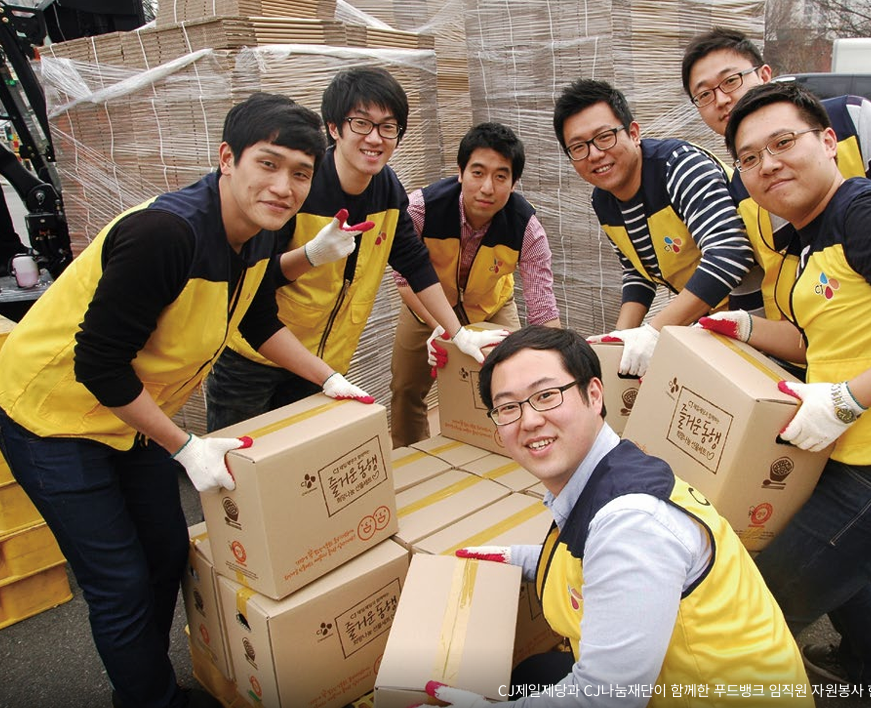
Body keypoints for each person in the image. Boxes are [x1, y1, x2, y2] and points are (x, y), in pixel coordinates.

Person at [0, 93, 353, 707]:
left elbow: (256, 316)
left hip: (130, 414)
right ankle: (147, 699)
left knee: (166, 553)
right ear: (227, 158)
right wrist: (184, 445)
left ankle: (151, 681)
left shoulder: (261, 231)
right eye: (268, 164)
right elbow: (98, 364)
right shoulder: (166, 234)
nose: (283, 186)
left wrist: (328, 380)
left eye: (300, 173)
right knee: (120, 583)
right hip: (53, 417)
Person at [701, 81, 871, 702]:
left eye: (783, 142)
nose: (767, 164)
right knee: (829, 563)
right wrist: (743, 326)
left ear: (828, 142)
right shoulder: (803, 242)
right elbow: (822, 339)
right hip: (852, 454)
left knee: (764, 595)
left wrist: (847, 399)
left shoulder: (866, 212)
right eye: (749, 157)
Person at [413, 326, 813, 707]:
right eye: (508, 407)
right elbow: (596, 564)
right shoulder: (609, 473)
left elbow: (603, 699)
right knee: (535, 672)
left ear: (594, 394)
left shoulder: (631, 523)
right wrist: (519, 560)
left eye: (547, 395)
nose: (530, 419)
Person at [206, 67, 506, 431]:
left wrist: (457, 332)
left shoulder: (387, 187)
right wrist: (310, 256)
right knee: (242, 473)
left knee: (299, 470)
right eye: (362, 124)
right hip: (252, 359)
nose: (375, 138)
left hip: (323, 362)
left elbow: (412, 261)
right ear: (334, 128)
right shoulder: (299, 186)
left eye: (388, 127)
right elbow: (251, 283)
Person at [681, 27, 871, 320]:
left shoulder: (852, 122)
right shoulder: (739, 184)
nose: (721, 100)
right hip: (805, 347)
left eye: (731, 81)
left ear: (764, 75)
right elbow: (754, 285)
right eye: (704, 94)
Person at [551, 79, 755, 377]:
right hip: (708, 322)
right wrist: (619, 339)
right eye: (579, 147)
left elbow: (730, 252)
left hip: (757, 316)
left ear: (634, 133)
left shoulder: (679, 167)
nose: (594, 154)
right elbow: (638, 270)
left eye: (604, 137)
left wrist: (654, 331)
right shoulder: (603, 200)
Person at [389, 122, 561, 448]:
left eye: (500, 176)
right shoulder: (420, 210)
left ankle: (504, 450)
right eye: (478, 172)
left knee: (514, 378)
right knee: (407, 388)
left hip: (491, 307)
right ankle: (411, 458)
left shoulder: (527, 228)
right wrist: (443, 327)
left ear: (513, 183)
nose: (487, 188)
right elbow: (403, 276)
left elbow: (542, 304)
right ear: (461, 172)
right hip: (424, 306)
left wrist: (560, 363)